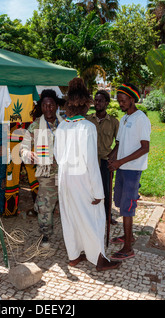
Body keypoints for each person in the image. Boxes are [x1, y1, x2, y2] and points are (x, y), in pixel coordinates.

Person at [54, 78, 122, 271]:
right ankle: (99, 260)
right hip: (83, 180)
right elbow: (92, 163)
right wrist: (98, 192)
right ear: (85, 105)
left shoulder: (62, 126)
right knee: (93, 218)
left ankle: (74, 255)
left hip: (65, 178)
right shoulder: (88, 127)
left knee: (71, 217)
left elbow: (58, 156)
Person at [108, 83, 151, 261]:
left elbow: (145, 148)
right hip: (122, 168)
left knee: (127, 207)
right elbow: (119, 144)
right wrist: (109, 159)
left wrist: (120, 162)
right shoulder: (125, 118)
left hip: (132, 170)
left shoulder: (141, 119)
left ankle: (128, 247)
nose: (121, 104)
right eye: (119, 101)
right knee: (119, 201)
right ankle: (128, 236)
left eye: (123, 101)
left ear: (132, 99)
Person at [20, 89, 64, 248]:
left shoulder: (65, 123)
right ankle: (46, 235)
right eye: (45, 105)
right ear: (41, 107)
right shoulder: (35, 125)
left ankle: (72, 235)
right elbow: (23, 148)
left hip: (66, 171)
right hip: (46, 173)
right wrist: (27, 153)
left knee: (69, 204)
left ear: (56, 106)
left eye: (51, 105)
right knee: (45, 205)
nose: (48, 108)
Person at [86, 90, 119, 226]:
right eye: (95, 100)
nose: (97, 103)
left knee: (106, 190)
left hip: (105, 160)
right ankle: (89, 215)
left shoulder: (113, 122)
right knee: (89, 189)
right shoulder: (87, 119)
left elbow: (119, 142)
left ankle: (107, 215)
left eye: (100, 100)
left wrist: (112, 156)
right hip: (89, 160)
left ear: (106, 103)